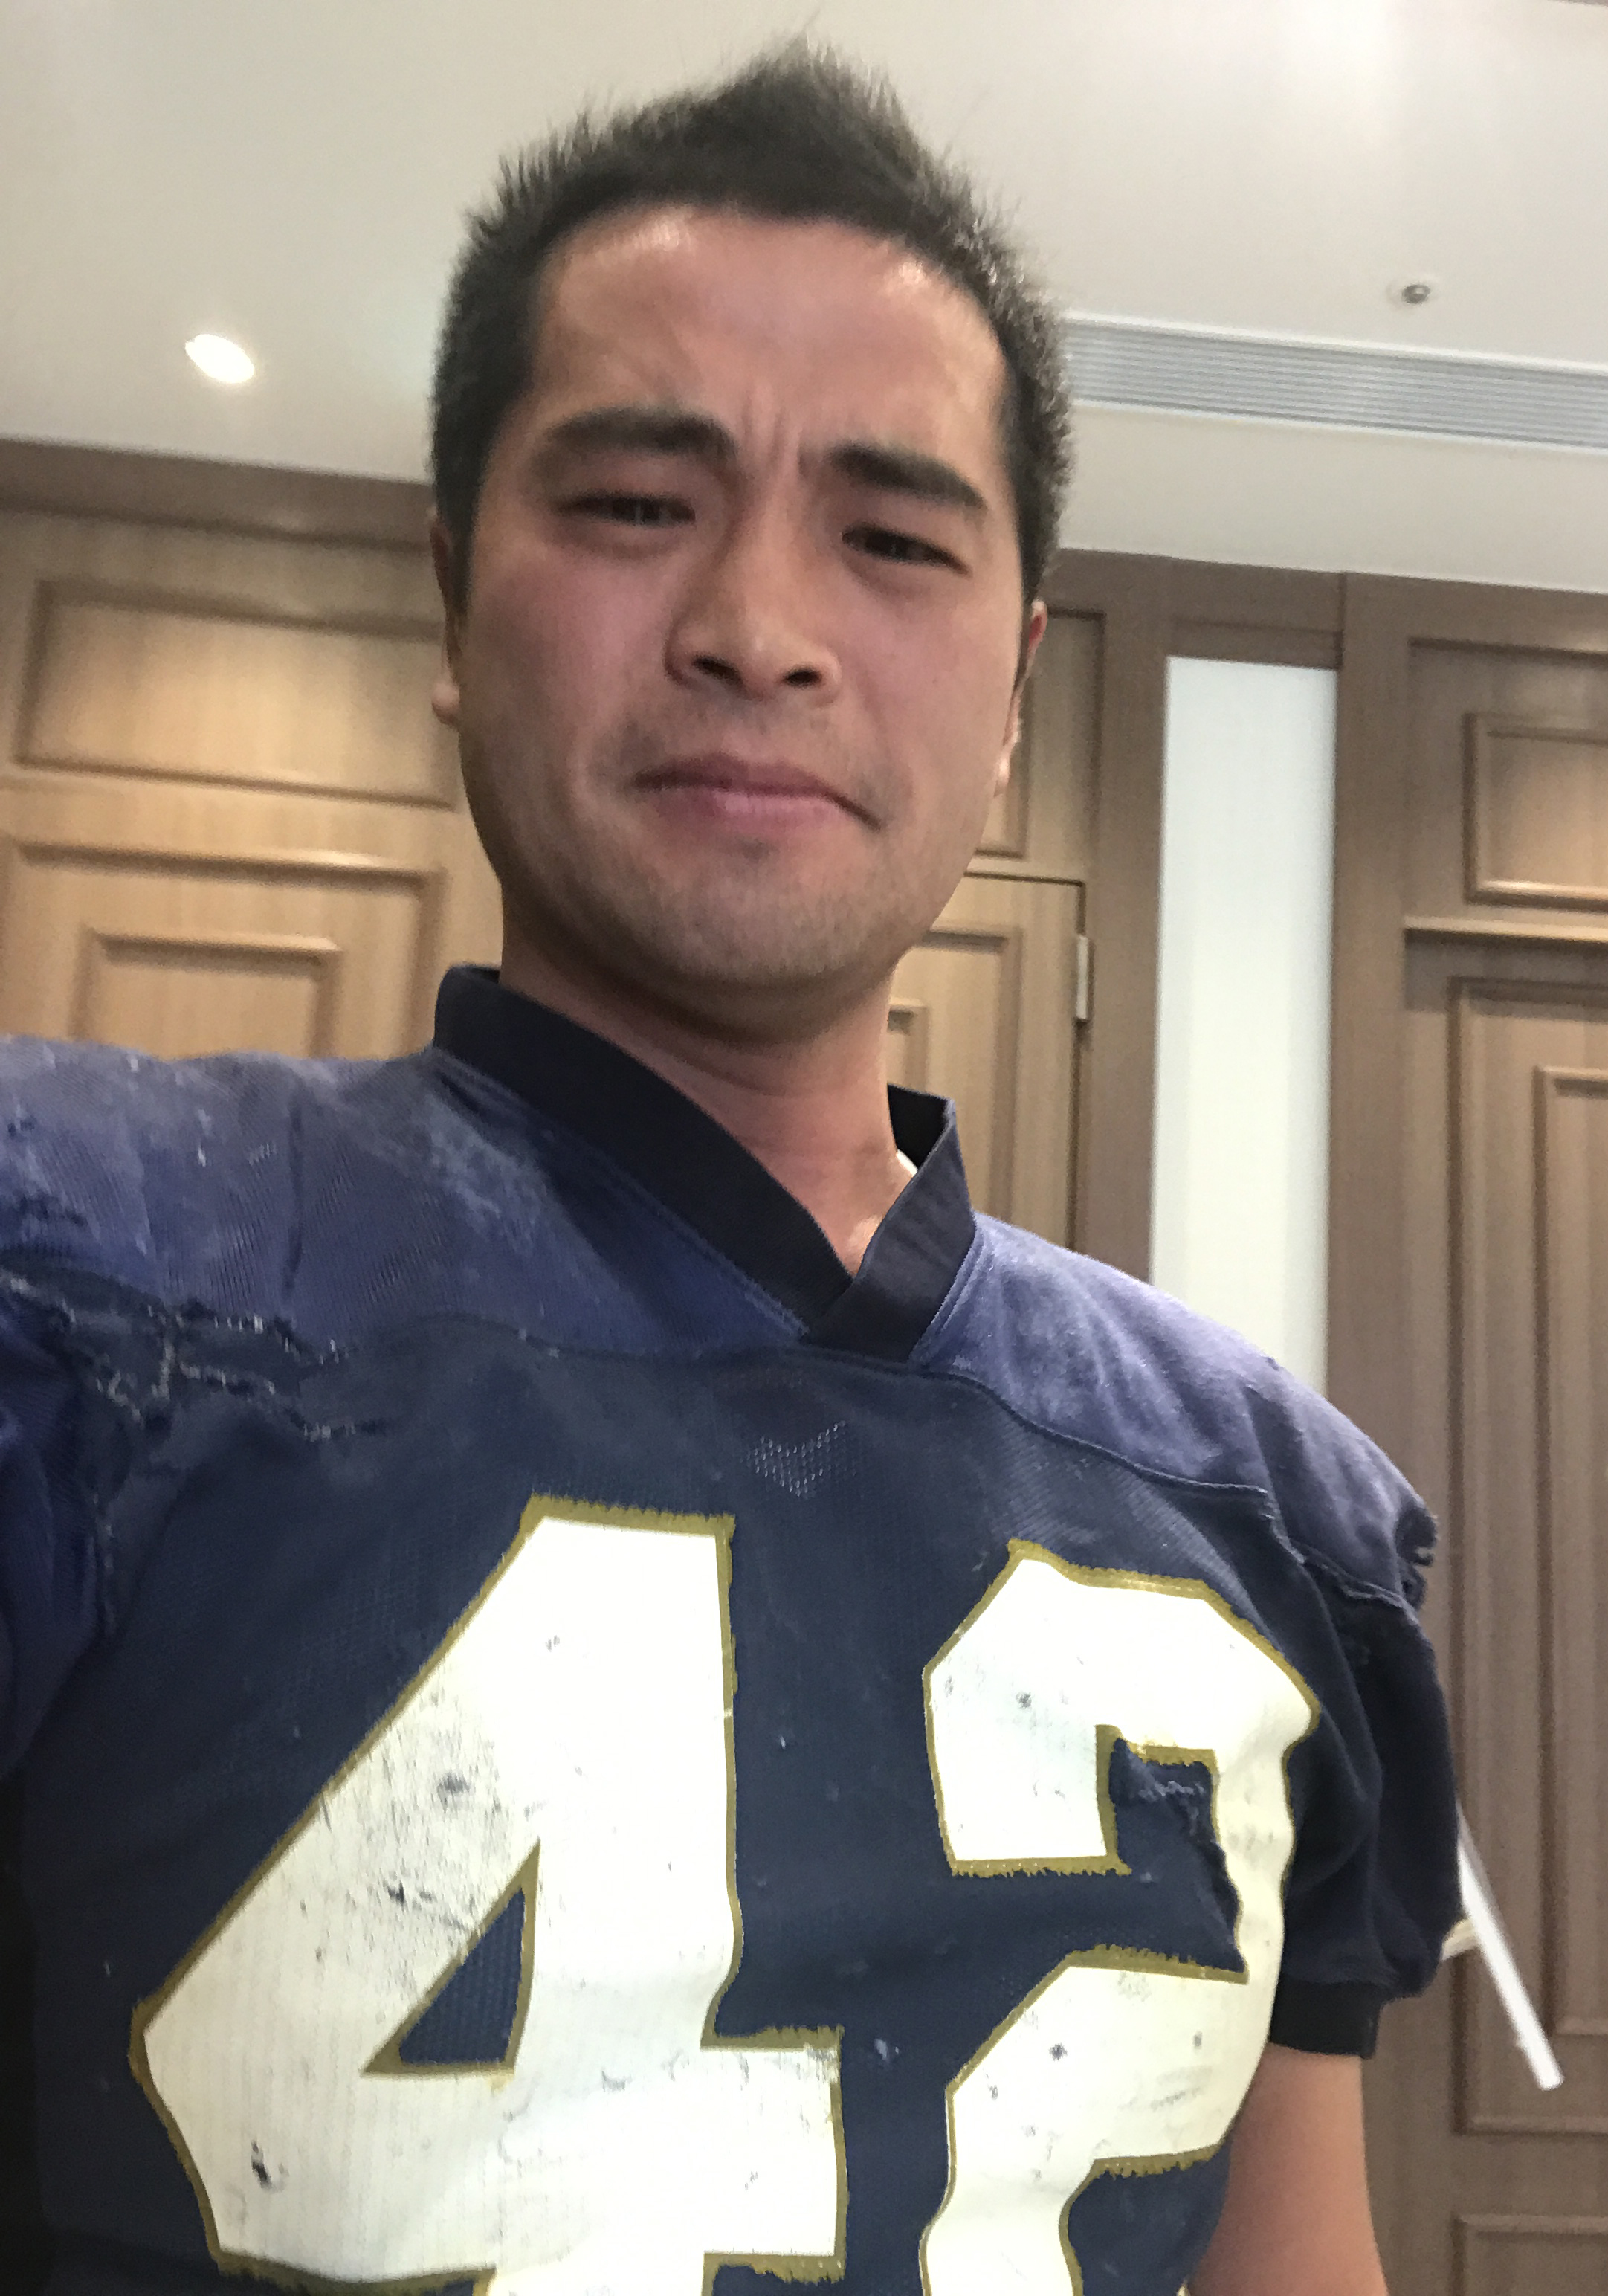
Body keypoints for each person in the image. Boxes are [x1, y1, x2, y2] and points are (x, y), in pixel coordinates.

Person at [0, 46, 1458, 2296]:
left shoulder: (1278, 1513)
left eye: (893, 538)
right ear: (451, 603)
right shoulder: (77, 1266)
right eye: (630, 503)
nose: (758, 625)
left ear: (1015, 687)